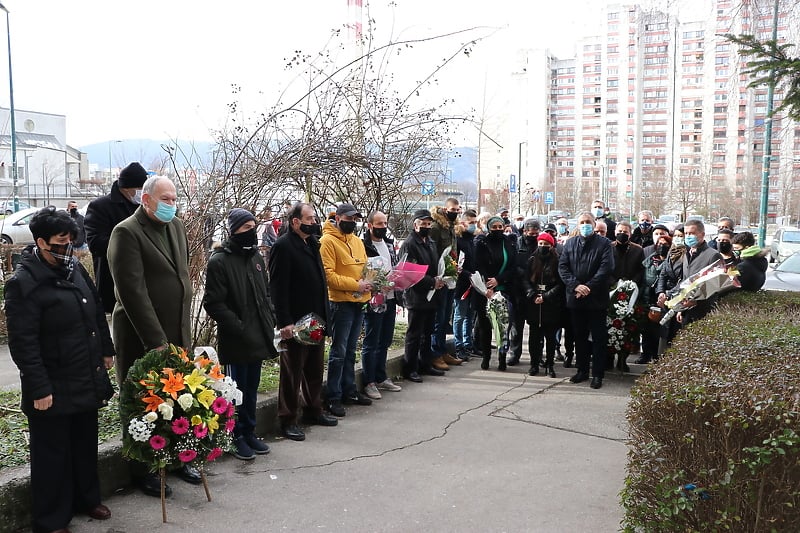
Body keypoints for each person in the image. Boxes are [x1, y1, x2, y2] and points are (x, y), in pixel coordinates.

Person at [5, 207, 115, 533]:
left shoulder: (74, 270)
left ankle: (86, 498)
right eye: (60, 242)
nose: (68, 248)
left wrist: (106, 350)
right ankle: (52, 518)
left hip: (83, 373)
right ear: (40, 242)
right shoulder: (24, 284)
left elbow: (94, 310)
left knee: (84, 443)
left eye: (71, 241)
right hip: (51, 382)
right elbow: (23, 344)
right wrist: (39, 388)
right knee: (51, 454)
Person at [107, 175, 198, 497]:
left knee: (178, 398)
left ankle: (178, 458)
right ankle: (143, 467)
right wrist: (157, 342)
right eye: (166, 200)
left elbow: (180, 274)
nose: (172, 205)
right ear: (146, 200)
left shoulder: (175, 226)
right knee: (143, 402)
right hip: (142, 336)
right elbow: (132, 291)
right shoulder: (126, 233)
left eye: (174, 199)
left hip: (177, 330)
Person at [203, 208, 278, 460]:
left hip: (258, 336)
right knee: (235, 391)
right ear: (233, 230)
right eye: (246, 228)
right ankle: (234, 437)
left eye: (254, 227)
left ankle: (248, 432)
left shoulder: (256, 258)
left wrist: (270, 318)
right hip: (236, 340)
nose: (252, 232)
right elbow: (213, 303)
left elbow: (265, 293)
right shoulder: (219, 261)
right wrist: (238, 325)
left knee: (252, 387)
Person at [270, 203, 338, 442]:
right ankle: (288, 418)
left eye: (315, 218)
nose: (314, 221)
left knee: (314, 368)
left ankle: (313, 409)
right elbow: (278, 288)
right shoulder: (283, 246)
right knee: (292, 371)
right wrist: (284, 321)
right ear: (295, 222)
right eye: (309, 218)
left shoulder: (312, 242)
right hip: (295, 321)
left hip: (315, 319)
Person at [320, 203, 373, 416]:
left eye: (355, 220)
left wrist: (372, 282)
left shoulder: (357, 241)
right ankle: (333, 395)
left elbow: (366, 267)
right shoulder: (327, 241)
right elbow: (329, 276)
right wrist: (356, 285)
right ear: (338, 218)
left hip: (359, 301)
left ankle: (349, 389)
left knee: (351, 350)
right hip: (340, 303)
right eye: (349, 219)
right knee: (339, 352)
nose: (352, 223)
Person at [558, 212, 615, 389]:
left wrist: (588, 287)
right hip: (575, 298)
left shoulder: (604, 243)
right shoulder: (571, 243)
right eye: (582, 222)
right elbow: (563, 267)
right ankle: (582, 370)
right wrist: (576, 285)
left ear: (593, 223)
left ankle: (597, 374)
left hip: (596, 298)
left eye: (588, 222)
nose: (585, 225)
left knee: (598, 338)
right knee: (579, 336)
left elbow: (606, 268)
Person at [84, 162, 147, 313]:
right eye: (139, 189)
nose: (142, 193)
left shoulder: (144, 206)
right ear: (126, 188)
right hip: (113, 282)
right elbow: (95, 243)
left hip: (144, 283)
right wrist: (131, 243)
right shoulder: (101, 207)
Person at [398, 209, 446, 382]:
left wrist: (441, 277)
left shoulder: (431, 242)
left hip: (432, 295)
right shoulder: (410, 244)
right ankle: (410, 368)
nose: (426, 226)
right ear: (415, 224)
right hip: (416, 295)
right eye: (423, 223)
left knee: (428, 332)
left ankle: (425, 363)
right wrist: (431, 282)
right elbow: (408, 270)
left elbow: (435, 264)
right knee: (414, 334)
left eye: (428, 223)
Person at [360, 210, 402, 400]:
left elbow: (393, 266)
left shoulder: (389, 244)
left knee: (385, 340)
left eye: (385, 223)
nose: (383, 227)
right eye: (379, 224)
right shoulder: (363, 246)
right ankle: (369, 381)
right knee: (371, 341)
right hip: (374, 299)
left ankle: (381, 376)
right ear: (370, 225)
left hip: (391, 297)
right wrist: (378, 283)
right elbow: (362, 273)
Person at [474, 216, 518, 371]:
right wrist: (488, 284)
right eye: (495, 227)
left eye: (501, 226)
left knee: (504, 326)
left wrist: (498, 280)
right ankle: (486, 358)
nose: (498, 229)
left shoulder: (509, 243)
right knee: (485, 327)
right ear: (488, 227)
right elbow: (478, 264)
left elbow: (513, 267)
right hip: (485, 291)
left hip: (504, 289)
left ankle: (502, 357)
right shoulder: (482, 244)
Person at [521, 232, 564, 377]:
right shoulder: (532, 259)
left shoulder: (558, 261)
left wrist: (545, 296)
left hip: (550, 304)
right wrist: (532, 294)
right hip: (534, 303)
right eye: (540, 244)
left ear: (552, 246)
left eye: (546, 244)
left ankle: (550, 365)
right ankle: (534, 364)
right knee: (534, 337)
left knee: (550, 338)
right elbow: (526, 279)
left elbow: (560, 283)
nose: (543, 246)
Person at [429, 198, 463, 369]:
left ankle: (442, 351)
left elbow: (452, 251)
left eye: (457, 210)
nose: (455, 212)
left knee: (445, 317)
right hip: (440, 278)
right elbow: (434, 253)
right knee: (439, 318)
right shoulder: (436, 227)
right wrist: (440, 273)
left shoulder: (451, 227)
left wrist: (455, 267)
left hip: (450, 278)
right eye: (452, 209)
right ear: (444, 208)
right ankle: (435, 354)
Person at [672, 219, 722, 326]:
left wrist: (697, 302)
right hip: (686, 309)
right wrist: (681, 308)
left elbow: (715, 286)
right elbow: (685, 279)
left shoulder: (713, 255)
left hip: (703, 312)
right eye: (686, 233)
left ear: (702, 234)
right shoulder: (687, 253)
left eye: (692, 233)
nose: (688, 236)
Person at [508, 218, 541, 366]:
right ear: (524, 231)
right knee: (516, 325)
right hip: (518, 290)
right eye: (531, 233)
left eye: (536, 233)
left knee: (536, 326)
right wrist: (525, 275)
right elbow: (513, 264)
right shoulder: (516, 244)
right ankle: (515, 353)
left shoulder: (541, 244)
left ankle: (537, 355)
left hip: (535, 290)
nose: (533, 236)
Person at [638, 233, 672, 364]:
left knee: (658, 330)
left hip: (661, 299)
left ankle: (656, 355)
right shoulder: (649, 261)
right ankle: (645, 354)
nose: (662, 247)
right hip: (647, 298)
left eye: (665, 244)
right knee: (646, 329)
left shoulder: (669, 262)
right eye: (660, 244)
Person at [453, 209, 478, 361]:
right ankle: (458, 345)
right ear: (463, 223)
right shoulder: (458, 240)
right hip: (461, 284)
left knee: (470, 315)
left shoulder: (472, 240)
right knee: (460, 316)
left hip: (473, 282)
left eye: (475, 223)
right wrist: (466, 274)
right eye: (471, 223)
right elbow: (456, 263)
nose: (474, 226)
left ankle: (468, 344)